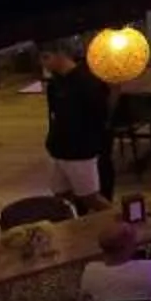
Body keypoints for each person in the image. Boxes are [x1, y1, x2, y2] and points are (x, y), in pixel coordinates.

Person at [41, 43, 116, 211]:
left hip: (80, 151)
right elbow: (55, 116)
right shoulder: (55, 83)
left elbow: (99, 117)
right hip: (58, 149)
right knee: (61, 197)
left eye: (46, 57)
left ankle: (124, 225)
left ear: (61, 53)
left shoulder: (87, 82)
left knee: (90, 198)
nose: (43, 64)